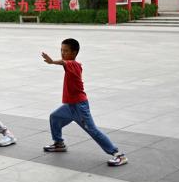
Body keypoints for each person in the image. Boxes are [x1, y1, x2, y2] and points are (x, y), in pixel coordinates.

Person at [41, 38, 128, 166]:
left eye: (66, 51)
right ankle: (59, 144)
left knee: (92, 130)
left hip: (79, 107)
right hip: (69, 106)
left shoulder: (74, 65)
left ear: (74, 53)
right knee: (55, 117)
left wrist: (53, 61)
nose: (63, 53)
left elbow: (64, 63)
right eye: (61, 50)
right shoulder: (70, 65)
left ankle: (118, 155)